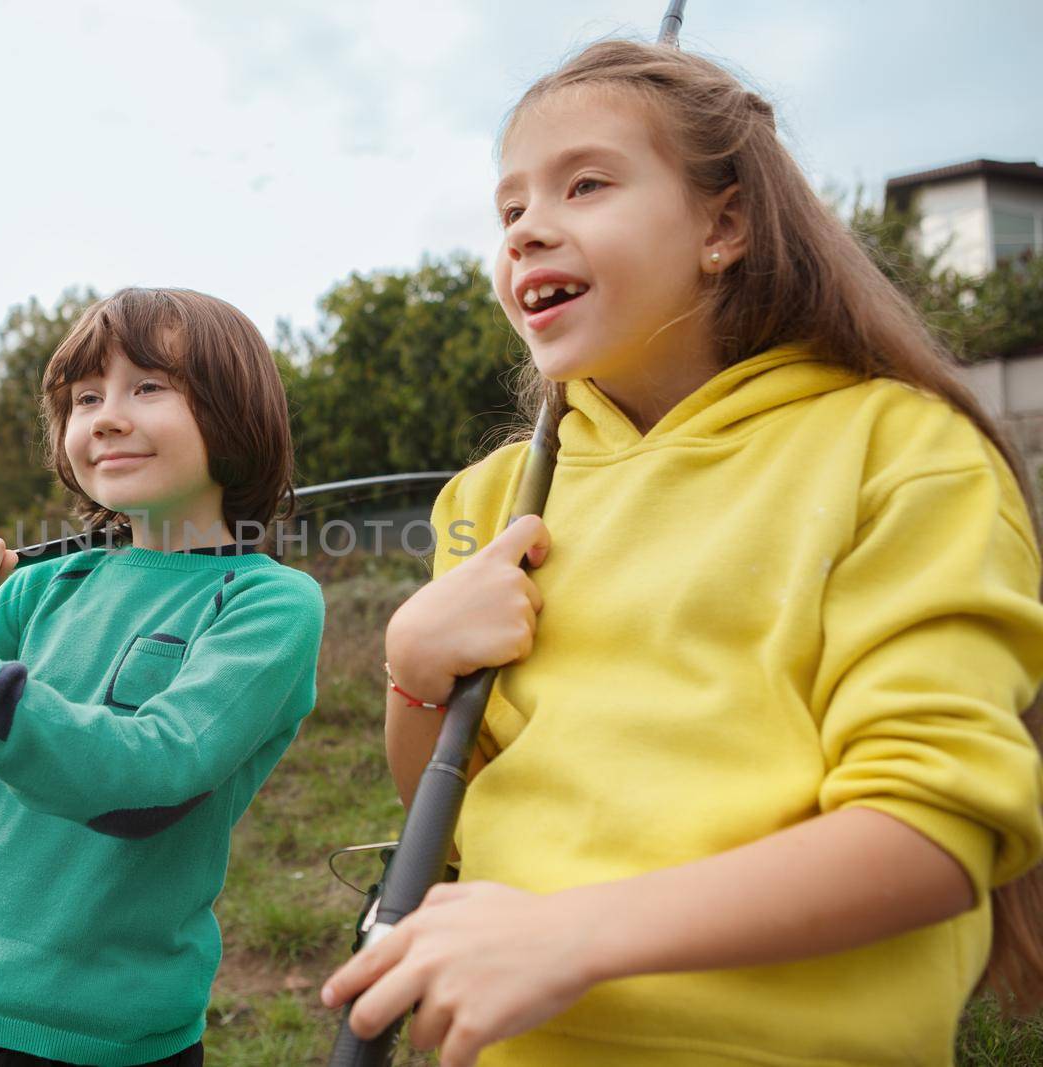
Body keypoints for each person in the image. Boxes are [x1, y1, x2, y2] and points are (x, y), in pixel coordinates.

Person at [322, 38, 1043, 1067]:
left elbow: (929, 833)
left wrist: (573, 934)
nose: (528, 230)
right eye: (509, 208)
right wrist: (412, 671)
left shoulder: (900, 448)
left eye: (584, 183)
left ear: (724, 223)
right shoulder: (485, 500)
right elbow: (448, 800)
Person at [0, 288, 325, 1067]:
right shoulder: (47, 585)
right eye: (86, 396)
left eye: (148, 386)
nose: (107, 415)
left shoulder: (269, 602)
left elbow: (142, 782)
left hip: (109, 1034)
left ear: (235, 412)